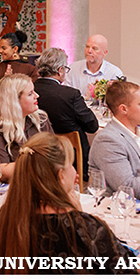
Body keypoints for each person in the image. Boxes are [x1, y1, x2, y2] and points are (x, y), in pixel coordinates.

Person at [0, 132, 136, 274]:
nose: (75, 173)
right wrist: (78, 215)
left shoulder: (8, 216)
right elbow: (126, 270)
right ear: (61, 176)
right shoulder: (84, 227)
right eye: (71, 165)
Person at [0, 74, 53, 182]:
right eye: (30, 94)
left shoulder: (40, 120)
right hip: (5, 191)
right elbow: (0, 170)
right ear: (14, 101)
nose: (37, 95)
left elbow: (55, 152)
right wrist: (42, 163)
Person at [34, 47, 99, 180]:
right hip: (71, 157)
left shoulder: (29, 90)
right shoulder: (70, 94)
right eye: (65, 69)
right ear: (59, 70)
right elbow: (92, 126)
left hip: (38, 152)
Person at [65, 34, 125, 100]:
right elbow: (66, 96)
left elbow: (117, 100)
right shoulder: (73, 68)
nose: (89, 51)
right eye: (87, 47)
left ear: (104, 53)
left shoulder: (114, 73)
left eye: (94, 48)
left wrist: (97, 95)